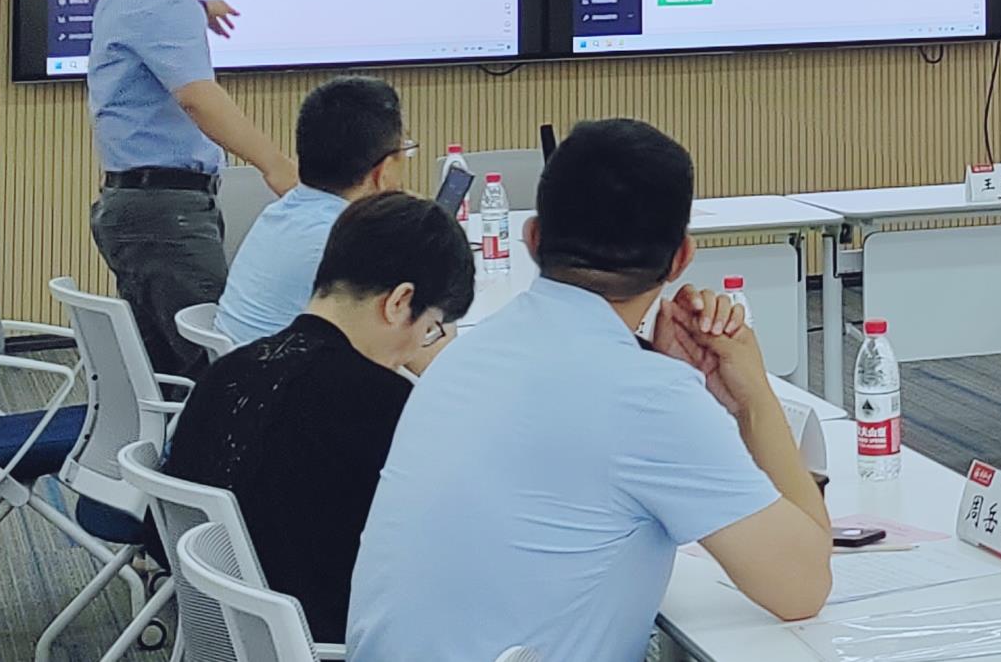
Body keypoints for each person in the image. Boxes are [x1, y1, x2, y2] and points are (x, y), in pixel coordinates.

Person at [349, 119, 831, 660]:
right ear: (680, 258)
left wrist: (650, 361)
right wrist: (752, 400)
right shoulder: (648, 399)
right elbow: (803, 586)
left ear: (533, 238)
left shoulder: (466, 354)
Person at [162, 193, 472, 643]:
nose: (420, 347)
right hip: (334, 641)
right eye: (430, 329)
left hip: (224, 637)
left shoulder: (223, 373)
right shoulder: (381, 403)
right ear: (400, 302)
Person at [87, 0, 296, 377]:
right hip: (165, 214)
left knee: (174, 371)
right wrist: (275, 164)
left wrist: (199, 8)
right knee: (224, 368)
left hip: (143, 207)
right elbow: (199, 99)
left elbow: (154, 17)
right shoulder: (162, 2)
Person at [214, 76, 414, 348]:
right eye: (406, 150)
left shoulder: (279, 214)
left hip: (243, 368)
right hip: (289, 372)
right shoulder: (349, 242)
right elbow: (429, 360)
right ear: (385, 171)